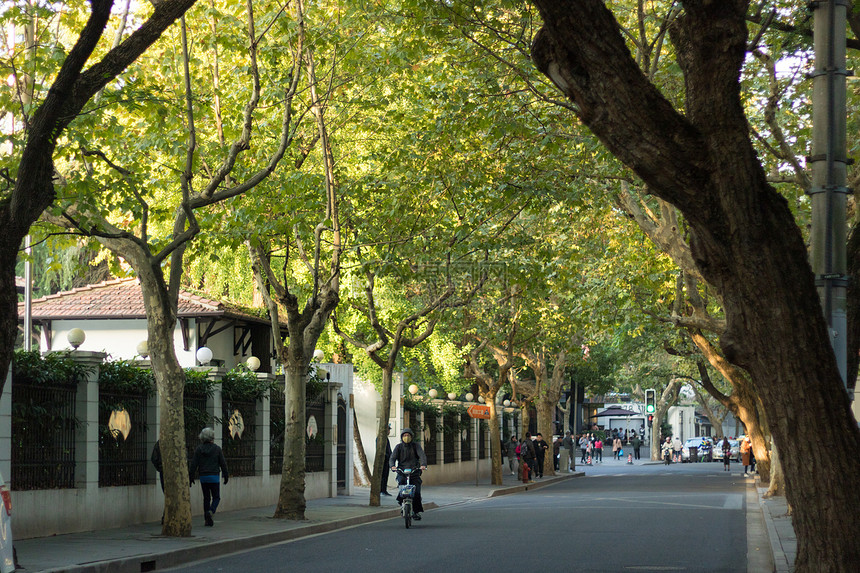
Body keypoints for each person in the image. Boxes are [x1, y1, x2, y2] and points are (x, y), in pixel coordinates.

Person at [189, 427, 229, 527]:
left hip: (203, 477)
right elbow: (223, 463)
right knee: (216, 497)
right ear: (212, 437)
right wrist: (226, 475)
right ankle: (211, 511)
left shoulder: (199, 449)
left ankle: (207, 520)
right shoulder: (217, 449)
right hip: (214, 476)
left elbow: (194, 464)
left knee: (206, 498)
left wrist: (191, 476)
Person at [389, 428, 427, 520]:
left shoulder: (416, 446)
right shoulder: (398, 447)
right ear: (402, 437)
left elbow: (422, 455)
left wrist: (423, 465)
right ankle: (401, 502)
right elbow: (392, 458)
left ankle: (416, 511)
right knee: (402, 488)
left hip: (414, 471)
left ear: (411, 437)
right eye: (404, 435)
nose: (406, 437)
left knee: (416, 492)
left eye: (408, 435)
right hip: (402, 472)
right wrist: (392, 466)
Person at [150, 440, 164, 523]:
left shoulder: (160, 443)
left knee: (167, 493)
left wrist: (160, 468)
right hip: (175, 472)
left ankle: (166, 516)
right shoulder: (179, 441)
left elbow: (154, 458)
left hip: (163, 471)